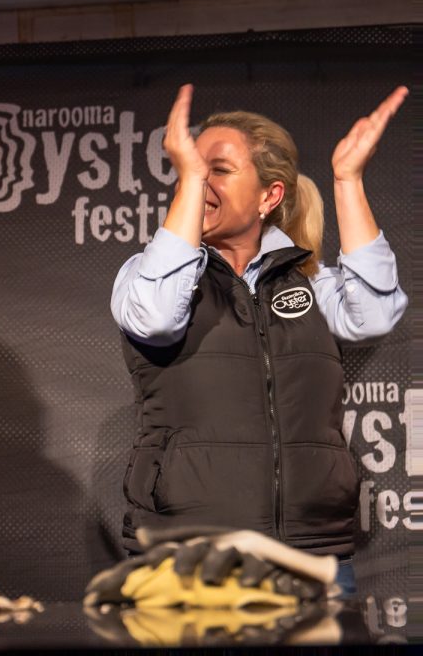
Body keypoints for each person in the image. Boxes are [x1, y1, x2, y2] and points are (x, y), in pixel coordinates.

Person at [110, 84, 408, 597]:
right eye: (190, 169)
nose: (199, 180)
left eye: (218, 169)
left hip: (312, 559)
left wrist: (347, 180)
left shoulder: (310, 283)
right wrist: (195, 181)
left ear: (270, 196)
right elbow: (156, 319)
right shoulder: (148, 274)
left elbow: (374, 315)